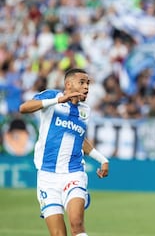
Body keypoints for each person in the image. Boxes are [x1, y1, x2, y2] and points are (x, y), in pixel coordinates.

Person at [19, 68, 109, 236]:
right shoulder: (51, 96)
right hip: (47, 177)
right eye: (82, 82)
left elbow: (79, 139)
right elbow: (24, 108)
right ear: (68, 84)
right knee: (58, 234)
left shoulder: (84, 111)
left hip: (73, 173)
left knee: (76, 223)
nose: (86, 87)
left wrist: (102, 159)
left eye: (88, 83)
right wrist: (58, 100)